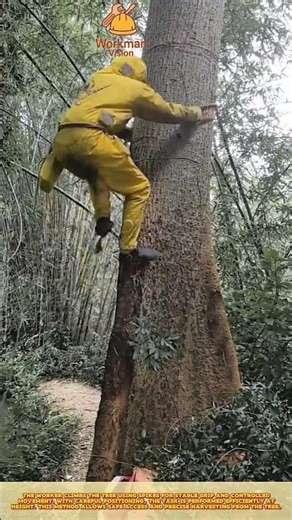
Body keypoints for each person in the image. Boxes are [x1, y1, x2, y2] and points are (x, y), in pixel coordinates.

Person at [39, 56, 215, 261]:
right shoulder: (135, 88)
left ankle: (103, 217)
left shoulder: (98, 79)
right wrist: (193, 113)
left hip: (61, 144)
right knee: (139, 188)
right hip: (91, 140)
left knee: (96, 173)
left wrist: (128, 133)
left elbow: (95, 115)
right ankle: (129, 251)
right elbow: (166, 111)